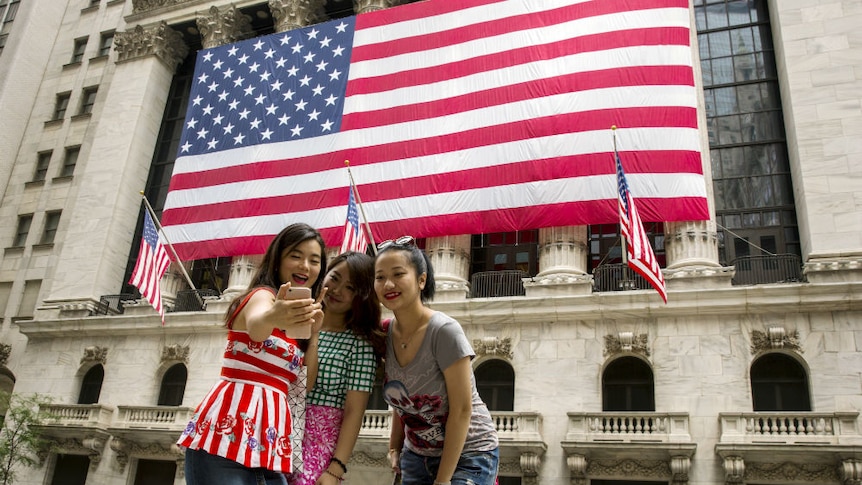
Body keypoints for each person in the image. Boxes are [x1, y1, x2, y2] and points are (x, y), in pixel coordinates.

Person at [178, 223, 328, 485]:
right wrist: (274, 315)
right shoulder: (263, 296)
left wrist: (314, 334)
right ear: (277, 259)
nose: (305, 265)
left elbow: (306, 384)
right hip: (223, 442)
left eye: (314, 260)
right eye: (295, 255)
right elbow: (257, 327)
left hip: (268, 448)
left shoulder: (296, 322)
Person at [374, 236, 499, 485]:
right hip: (416, 455)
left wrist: (442, 481)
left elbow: (462, 411)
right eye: (379, 277)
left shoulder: (444, 331)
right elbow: (403, 401)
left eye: (398, 274)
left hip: (470, 452)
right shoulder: (382, 334)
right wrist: (394, 447)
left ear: (421, 280)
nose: (388, 284)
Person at [289, 251, 386, 485]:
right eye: (335, 278)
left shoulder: (359, 344)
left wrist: (335, 469)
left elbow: (355, 410)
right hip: (278, 430)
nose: (337, 290)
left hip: (318, 443)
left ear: (361, 296)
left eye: (350, 287)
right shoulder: (291, 325)